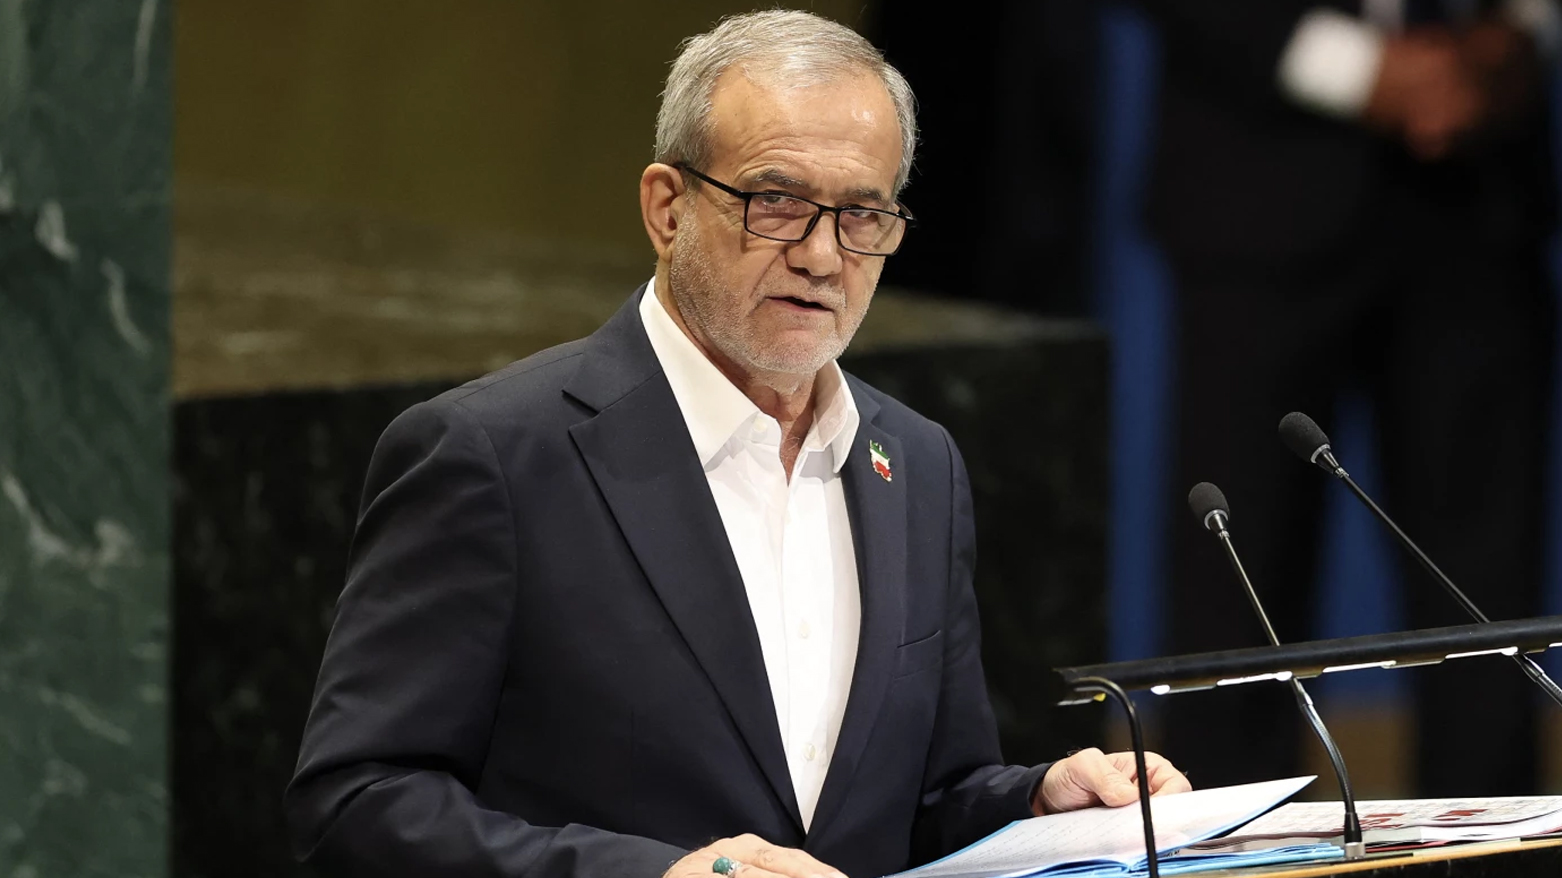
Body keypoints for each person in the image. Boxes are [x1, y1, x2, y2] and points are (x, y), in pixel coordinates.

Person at [284, 10, 1189, 878]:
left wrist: (1034, 805)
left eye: (863, 214)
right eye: (778, 202)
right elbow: (357, 800)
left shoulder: (914, 463)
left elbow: (925, 798)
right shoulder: (493, 455)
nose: (824, 256)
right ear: (667, 209)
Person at [1135, 0, 1556, 796]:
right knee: (1238, 591)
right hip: (1254, 181)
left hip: (1483, 195)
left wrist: (1519, 32)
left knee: (1488, 612)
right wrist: (1362, 70)